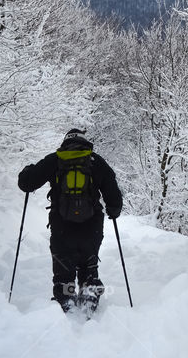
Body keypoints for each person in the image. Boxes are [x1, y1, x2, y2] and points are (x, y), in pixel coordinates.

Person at [17, 129, 123, 315]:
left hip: (62, 227)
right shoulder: (96, 162)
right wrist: (113, 211)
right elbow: (113, 194)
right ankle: (89, 292)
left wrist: (27, 171)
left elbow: (26, 183)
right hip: (91, 226)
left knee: (63, 266)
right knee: (89, 263)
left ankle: (66, 299)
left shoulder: (55, 160)